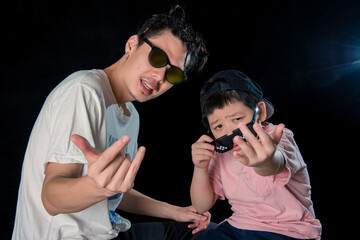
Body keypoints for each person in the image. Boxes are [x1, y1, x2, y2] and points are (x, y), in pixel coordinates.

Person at [12, 5, 213, 240]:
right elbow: (51, 198)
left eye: (173, 75)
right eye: (157, 58)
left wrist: (175, 211)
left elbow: (115, 190)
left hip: (107, 232)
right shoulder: (84, 91)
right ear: (132, 45)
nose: (159, 77)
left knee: (203, 233)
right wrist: (98, 187)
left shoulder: (130, 115)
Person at [190, 70, 322, 239]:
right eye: (218, 127)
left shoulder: (279, 136)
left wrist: (265, 162)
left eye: (237, 119)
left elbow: (275, 163)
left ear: (259, 112)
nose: (229, 131)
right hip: (238, 225)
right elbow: (201, 206)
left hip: (287, 230)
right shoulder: (220, 154)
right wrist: (200, 167)